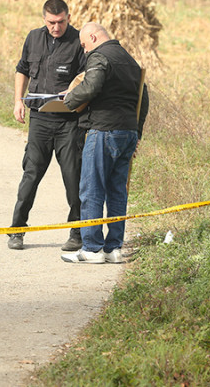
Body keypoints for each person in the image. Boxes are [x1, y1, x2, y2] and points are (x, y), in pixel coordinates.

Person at [60, 23, 149, 264]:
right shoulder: (129, 60)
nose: (84, 50)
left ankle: (91, 249)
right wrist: (136, 131)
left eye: (84, 45)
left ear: (93, 37)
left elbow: (93, 85)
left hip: (103, 131)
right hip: (127, 133)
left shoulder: (100, 56)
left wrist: (68, 100)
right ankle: (113, 249)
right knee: (117, 191)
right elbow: (144, 97)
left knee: (92, 189)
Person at [9, 0, 87, 251]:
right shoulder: (33, 38)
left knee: (73, 178)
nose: (56, 27)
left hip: (69, 122)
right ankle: (17, 230)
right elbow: (22, 69)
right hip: (40, 119)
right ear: (44, 19)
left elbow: (88, 78)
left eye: (61, 22)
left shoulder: (78, 42)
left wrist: (73, 93)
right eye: (51, 22)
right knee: (30, 175)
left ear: (68, 17)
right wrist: (18, 101)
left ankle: (77, 232)